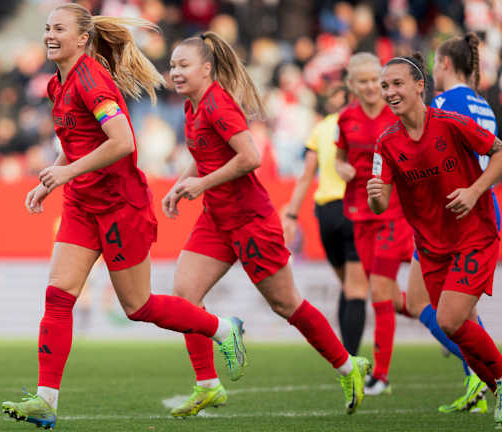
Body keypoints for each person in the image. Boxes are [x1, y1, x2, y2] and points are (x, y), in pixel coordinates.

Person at [0, 5, 248, 430]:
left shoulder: (92, 79)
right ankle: (45, 400)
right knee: (58, 296)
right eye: (46, 28)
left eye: (58, 28)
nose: (48, 35)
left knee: (138, 306)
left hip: (120, 206)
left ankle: (223, 327)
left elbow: (122, 142)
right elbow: (76, 140)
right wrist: (52, 181)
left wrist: (65, 172)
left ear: (82, 39)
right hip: (82, 202)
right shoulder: (55, 84)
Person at [162, 31, 370, 419]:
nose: (175, 71)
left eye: (183, 65)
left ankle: (348, 366)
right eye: (173, 65)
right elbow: (205, 155)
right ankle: (208, 384)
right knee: (184, 295)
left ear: (207, 69)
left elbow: (250, 157)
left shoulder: (218, 105)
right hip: (217, 219)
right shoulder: (192, 107)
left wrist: (200, 184)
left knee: (286, 304)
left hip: (251, 220)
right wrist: (180, 186)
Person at [370, 52, 502, 429]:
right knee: (453, 325)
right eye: (385, 86)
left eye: (397, 84)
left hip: (473, 233)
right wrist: (375, 194)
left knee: (448, 317)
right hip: (431, 247)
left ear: (419, 86)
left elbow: (498, 152)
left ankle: (498, 385)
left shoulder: (451, 121)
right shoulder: (386, 143)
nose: (390, 92)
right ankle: (485, 389)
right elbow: (379, 205)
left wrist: (475, 192)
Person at [404, 33, 498, 414]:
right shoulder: (483, 103)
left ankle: (483, 375)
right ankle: (476, 377)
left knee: (426, 305)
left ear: (443, 63)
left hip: (448, 215)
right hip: (473, 209)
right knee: (457, 313)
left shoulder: (443, 102)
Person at [334, 52, 413, 396]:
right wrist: (342, 169)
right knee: (392, 298)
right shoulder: (346, 118)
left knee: (380, 294)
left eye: (375, 81)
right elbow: (339, 157)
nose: (370, 87)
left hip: (393, 215)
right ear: (352, 85)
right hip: (359, 215)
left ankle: (380, 375)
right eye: (363, 81)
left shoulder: (396, 114)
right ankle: (448, 322)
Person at [281, 84, 369, 356]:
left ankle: (344, 358)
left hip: (327, 212)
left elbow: (307, 174)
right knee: (356, 289)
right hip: (355, 209)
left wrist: (292, 214)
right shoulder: (365, 125)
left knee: (346, 284)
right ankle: (351, 361)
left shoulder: (322, 128)